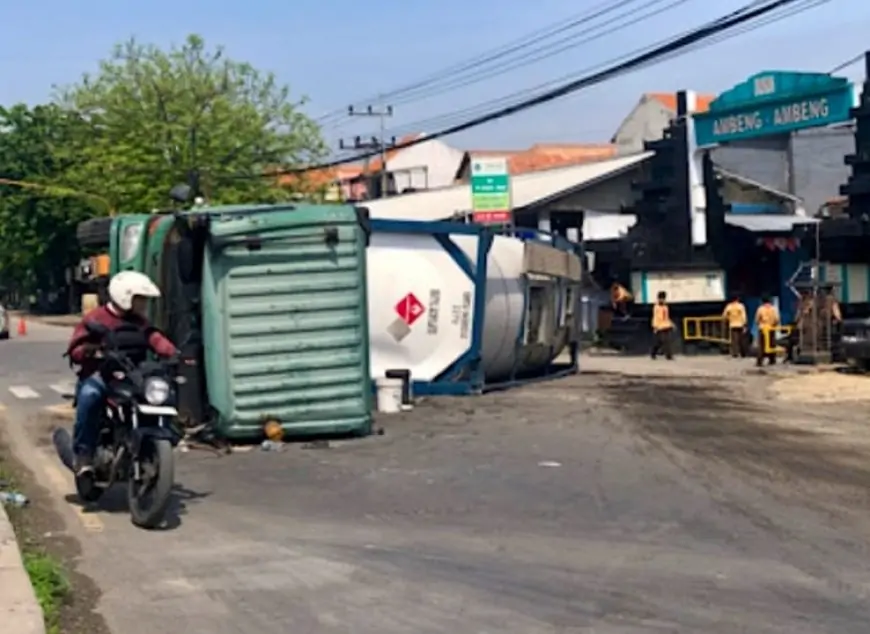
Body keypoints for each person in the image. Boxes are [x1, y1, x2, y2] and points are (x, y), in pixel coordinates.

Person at [66, 271, 178, 477]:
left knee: (162, 394)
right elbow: (75, 349)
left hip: (132, 376)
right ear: (125, 296)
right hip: (101, 374)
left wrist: (175, 354)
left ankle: (156, 440)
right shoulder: (95, 318)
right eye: (140, 299)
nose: (143, 303)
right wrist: (88, 350)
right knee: (89, 396)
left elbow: (155, 338)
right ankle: (83, 455)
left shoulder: (140, 322)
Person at [753, 295, 780, 367]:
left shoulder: (760, 309)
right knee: (772, 344)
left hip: (762, 328)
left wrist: (759, 324)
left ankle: (760, 361)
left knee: (761, 345)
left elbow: (757, 319)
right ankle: (772, 359)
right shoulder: (773, 309)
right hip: (771, 328)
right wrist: (774, 325)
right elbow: (777, 319)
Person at [650, 291, 674, 360]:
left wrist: (671, 324)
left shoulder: (665, 307)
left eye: (663, 298)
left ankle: (669, 355)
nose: (662, 300)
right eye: (661, 298)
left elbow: (666, 317)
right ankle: (653, 353)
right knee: (658, 342)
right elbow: (655, 317)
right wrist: (655, 327)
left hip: (666, 325)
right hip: (659, 326)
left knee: (667, 340)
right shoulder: (656, 307)